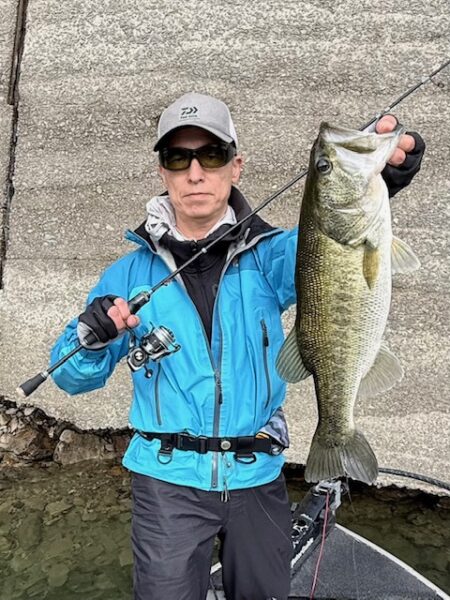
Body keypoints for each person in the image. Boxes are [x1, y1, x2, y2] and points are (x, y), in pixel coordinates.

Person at [51, 92, 425, 600]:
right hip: (165, 483)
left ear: (236, 166)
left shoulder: (273, 256)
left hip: (258, 475)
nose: (195, 173)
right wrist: (90, 337)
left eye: (212, 155)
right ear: (162, 171)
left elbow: (329, 240)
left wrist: (384, 181)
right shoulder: (127, 274)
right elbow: (71, 377)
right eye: (178, 158)